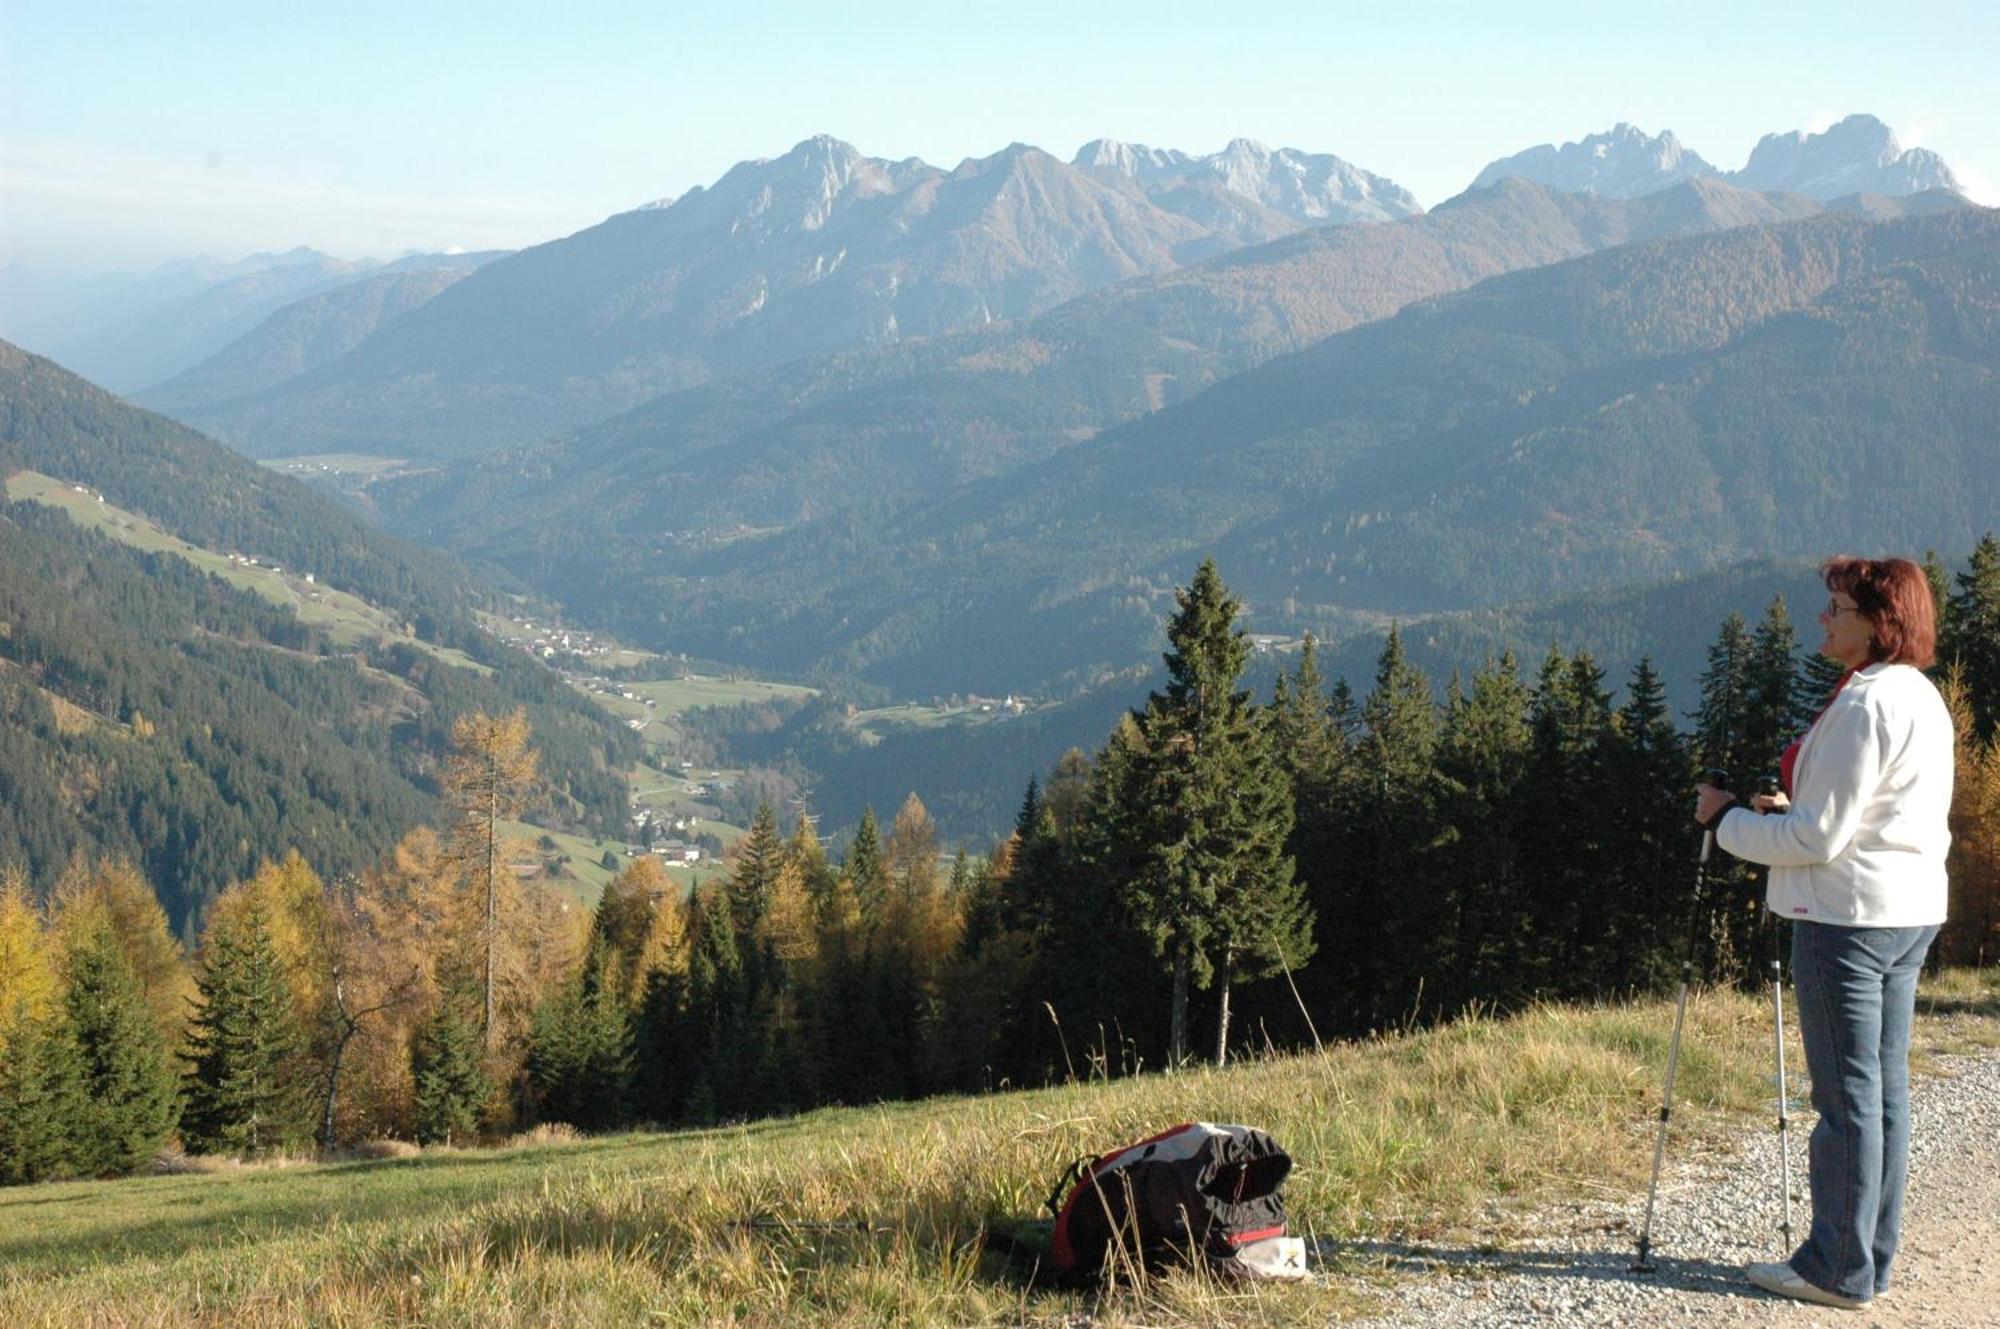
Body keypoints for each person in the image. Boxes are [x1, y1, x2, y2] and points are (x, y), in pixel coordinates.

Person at [1694, 556, 1952, 1311]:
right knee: (1884, 1093)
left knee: (1845, 1098)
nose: (1823, 618)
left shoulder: (1864, 703)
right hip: (1908, 910)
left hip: (1847, 917)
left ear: (1878, 621)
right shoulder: (1919, 697)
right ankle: (1869, 1257)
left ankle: (1834, 1269)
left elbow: (1821, 838)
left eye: (1837, 607)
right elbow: (1872, 811)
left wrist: (1729, 820)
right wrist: (1791, 805)